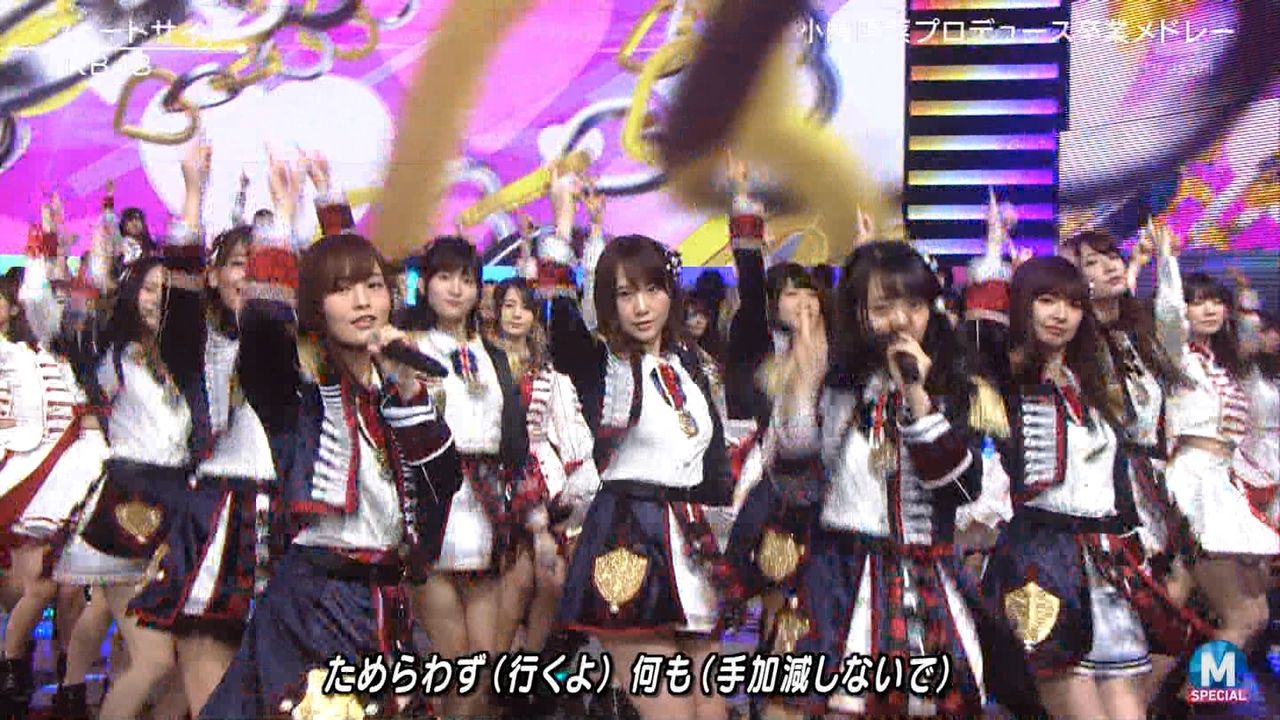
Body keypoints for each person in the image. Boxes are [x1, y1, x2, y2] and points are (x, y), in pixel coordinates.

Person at [200, 226, 461, 716]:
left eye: (373, 286)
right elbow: (261, 332)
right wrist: (283, 224)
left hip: (385, 602)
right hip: (315, 606)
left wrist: (408, 388)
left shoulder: (399, 396)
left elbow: (444, 480)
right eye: (341, 290)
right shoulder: (297, 397)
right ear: (316, 306)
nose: (362, 302)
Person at [774, 240, 1032, 717]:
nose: (900, 320)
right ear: (858, 313)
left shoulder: (958, 387)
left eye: (914, 305)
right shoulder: (840, 385)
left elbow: (960, 488)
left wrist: (917, 394)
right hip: (838, 575)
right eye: (882, 308)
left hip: (921, 574)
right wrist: (803, 383)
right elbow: (795, 471)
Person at [549, 227, 735, 720]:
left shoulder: (689, 363)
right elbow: (564, 330)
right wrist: (564, 231)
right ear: (609, 303)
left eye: (653, 289)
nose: (642, 306)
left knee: (711, 712)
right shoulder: (600, 364)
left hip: (690, 539)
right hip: (627, 540)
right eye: (626, 294)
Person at [984, 256, 1164, 719]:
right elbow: (977, 329)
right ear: (1023, 305)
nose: (1060, 314)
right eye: (1046, 300)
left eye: (1073, 303)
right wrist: (995, 256)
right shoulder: (1003, 379)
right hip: (1039, 559)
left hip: (1106, 557)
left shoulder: (1097, 380)